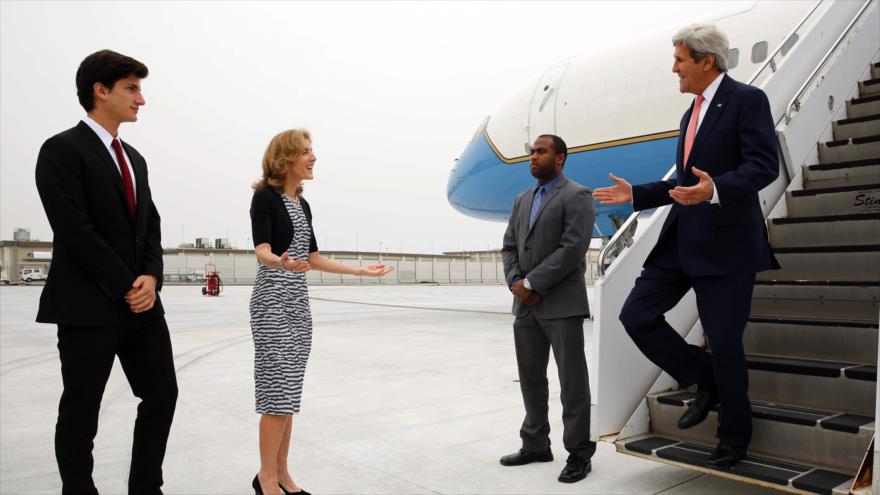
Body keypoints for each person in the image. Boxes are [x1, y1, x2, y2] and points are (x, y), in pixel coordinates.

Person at [593, 23, 779, 467]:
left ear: (705, 61)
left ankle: (734, 437)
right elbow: (682, 183)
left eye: (679, 60)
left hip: (727, 244)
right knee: (636, 315)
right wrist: (636, 195)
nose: (674, 68)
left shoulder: (747, 101)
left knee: (726, 342)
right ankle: (704, 377)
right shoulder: (689, 113)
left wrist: (716, 189)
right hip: (681, 240)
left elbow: (763, 165)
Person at [34, 50, 178, 495]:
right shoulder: (61, 150)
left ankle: (145, 489)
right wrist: (124, 284)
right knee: (82, 408)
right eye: (132, 88)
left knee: (161, 396)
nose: (141, 100)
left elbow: (150, 225)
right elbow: (73, 229)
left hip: (142, 304)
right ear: (101, 90)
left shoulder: (134, 158)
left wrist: (151, 277)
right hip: (88, 305)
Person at [248, 129, 392, 495]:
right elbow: (262, 251)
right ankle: (265, 477)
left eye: (313, 152)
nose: (313, 158)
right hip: (272, 299)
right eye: (306, 152)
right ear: (286, 158)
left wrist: (360, 271)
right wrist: (280, 262)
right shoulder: (264, 198)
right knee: (275, 393)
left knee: (289, 393)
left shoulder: (302, 204)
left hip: (298, 302)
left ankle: (281, 472)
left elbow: (312, 258)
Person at [499, 134, 596, 483]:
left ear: (560, 158)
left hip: (561, 305)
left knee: (572, 383)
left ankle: (579, 453)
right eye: (532, 153)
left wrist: (532, 283)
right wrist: (516, 283)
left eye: (541, 152)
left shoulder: (576, 195)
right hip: (525, 308)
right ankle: (536, 444)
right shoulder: (522, 199)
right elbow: (509, 247)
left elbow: (573, 248)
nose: (533, 158)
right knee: (531, 379)